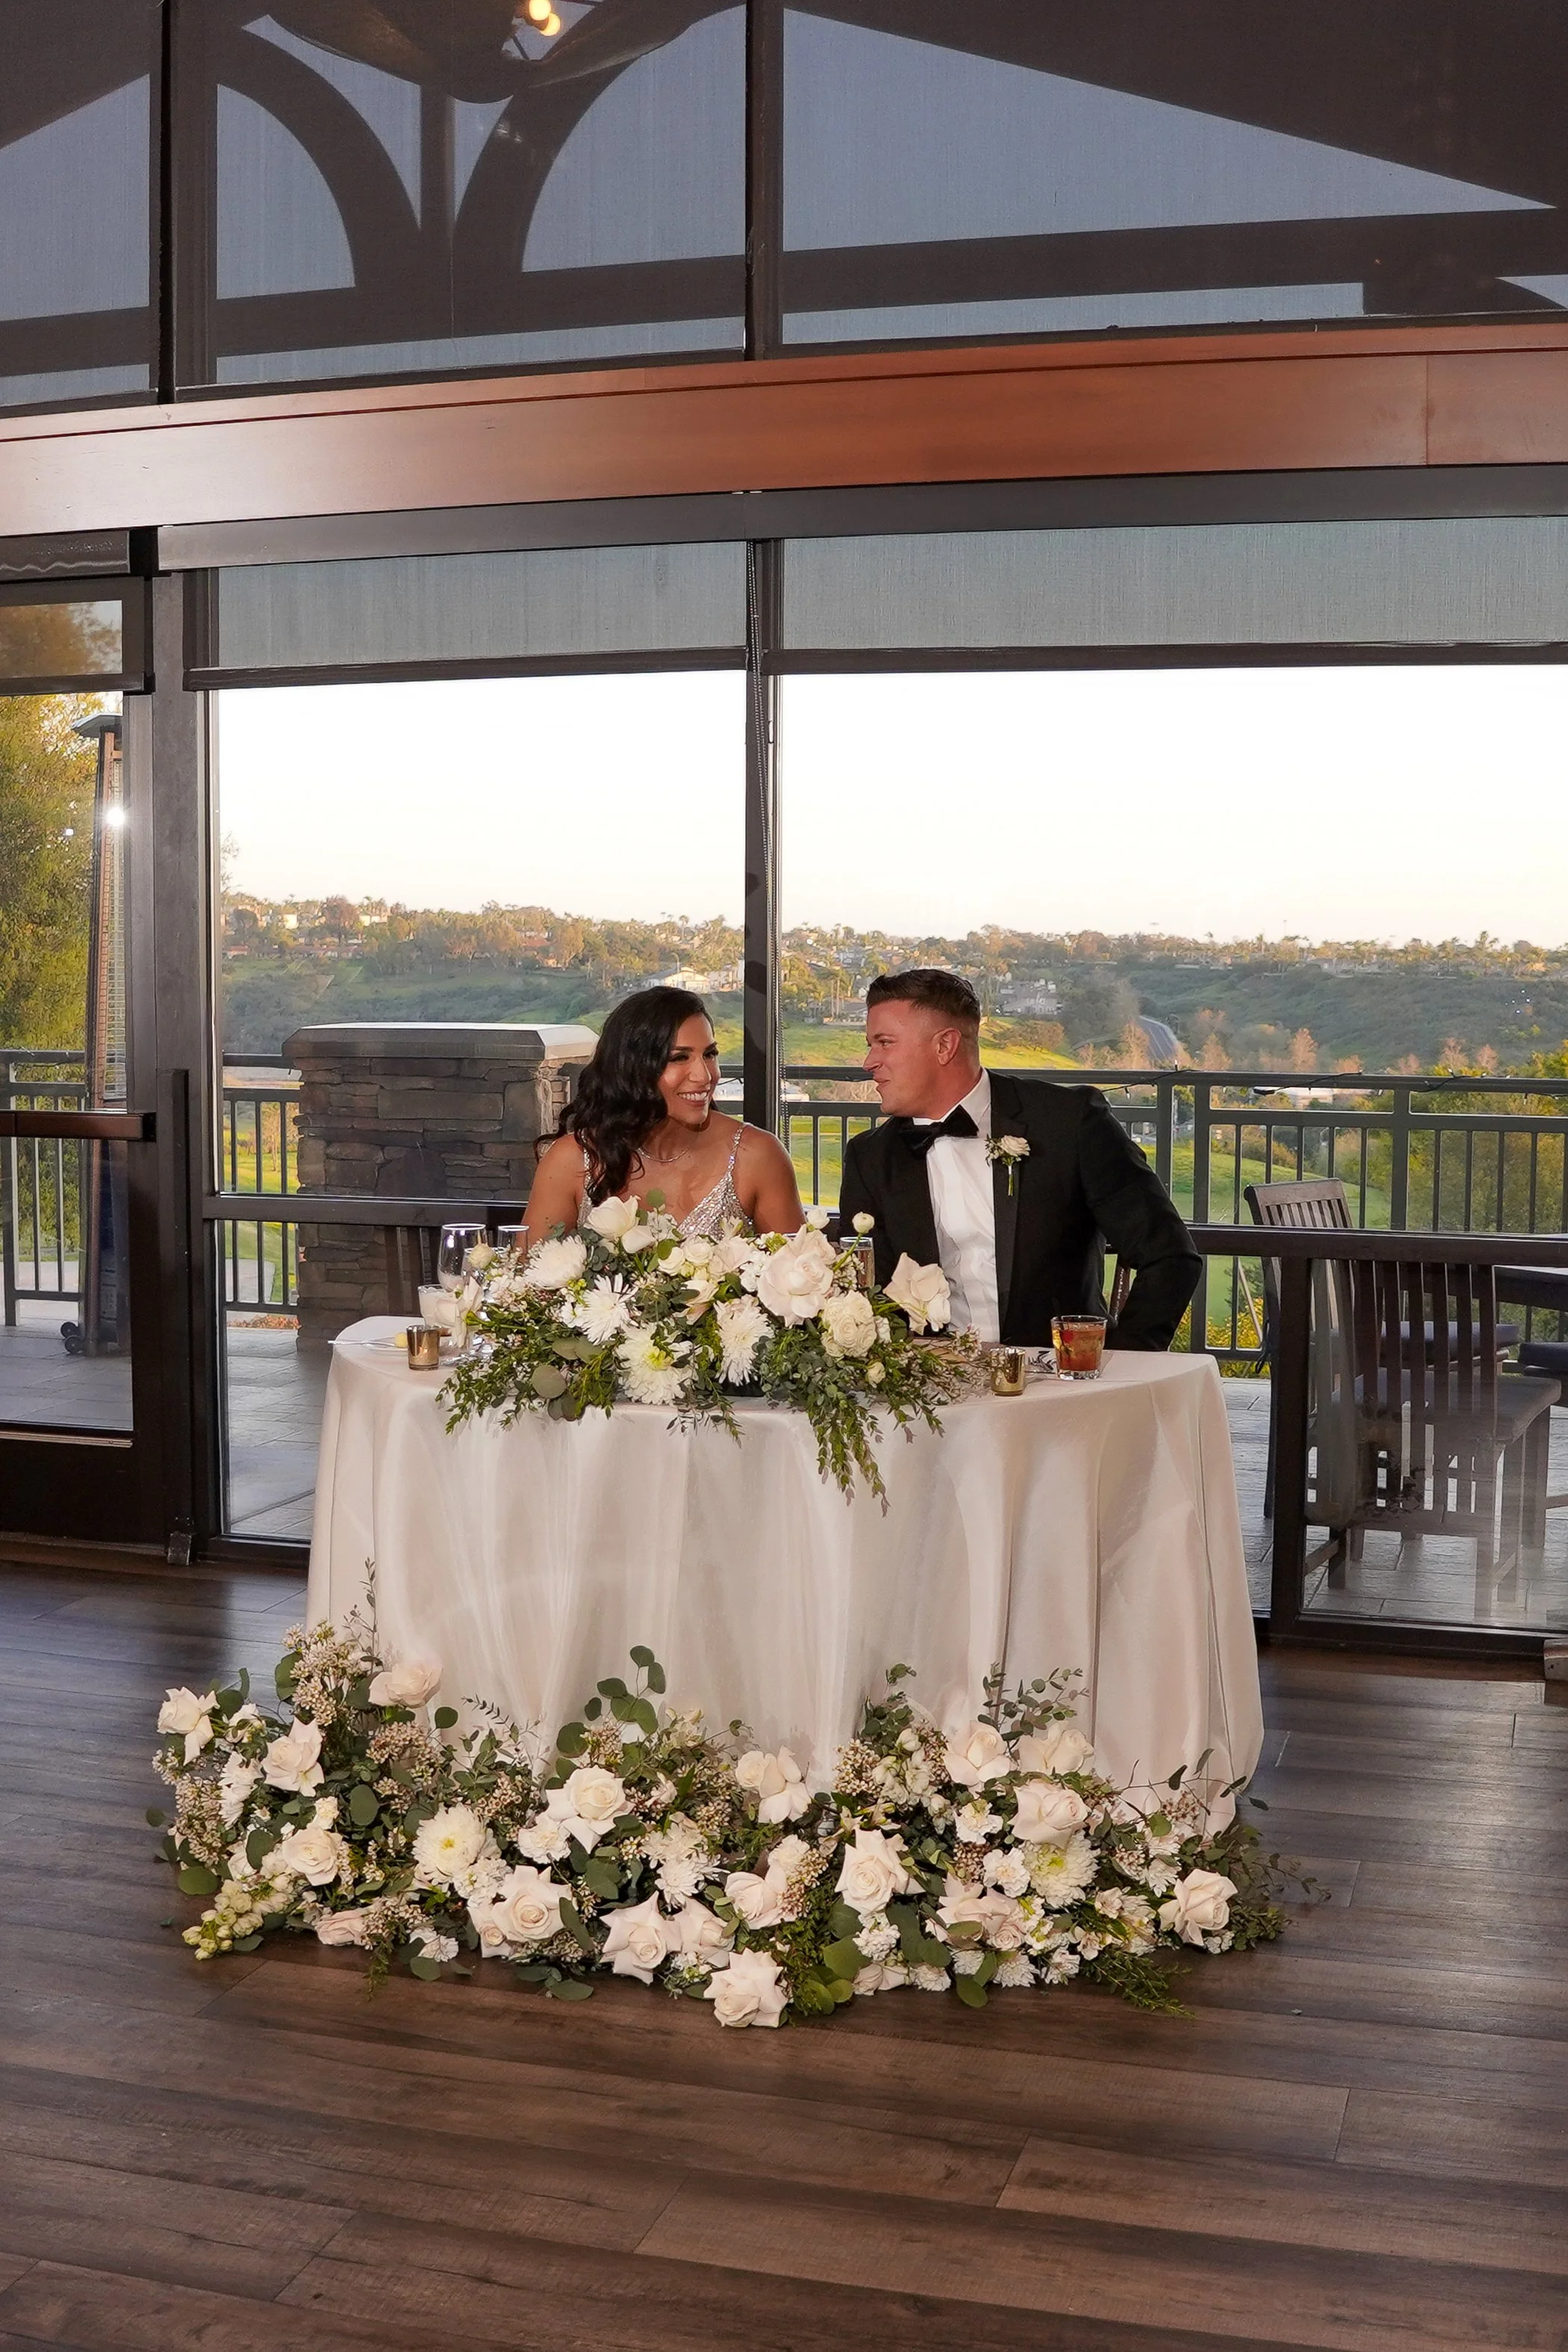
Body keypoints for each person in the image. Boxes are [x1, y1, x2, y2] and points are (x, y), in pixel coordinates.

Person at [839, 968, 1201, 1350]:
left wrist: (1121, 1364)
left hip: (1060, 1388)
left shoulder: (1068, 1123)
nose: (869, 1062)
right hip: (934, 1393)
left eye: (884, 1043)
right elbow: (863, 1294)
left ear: (945, 1046)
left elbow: (1171, 1256)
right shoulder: (870, 1158)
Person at [524, 986, 803, 1242]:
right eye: (679, 1058)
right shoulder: (572, 1161)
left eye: (709, 1054)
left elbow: (800, 1284)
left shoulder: (757, 1156)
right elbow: (528, 1283)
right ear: (631, 1068)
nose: (705, 1075)